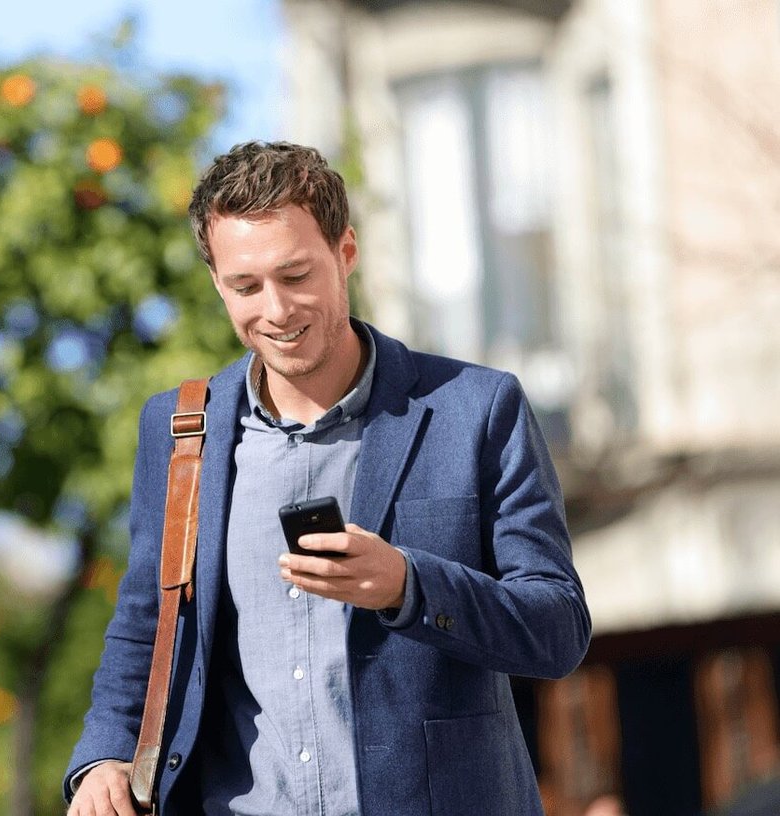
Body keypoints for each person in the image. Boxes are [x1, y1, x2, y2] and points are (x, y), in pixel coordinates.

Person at [63, 141, 591, 815]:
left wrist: (407, 585)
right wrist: (104, 755)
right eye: (246, 287)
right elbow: (147, 621)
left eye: (296, 275)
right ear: (216, 282)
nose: (277, 311)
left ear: (346, 253)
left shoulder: (477, 408)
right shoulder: (177, 430)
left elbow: (558, 629)